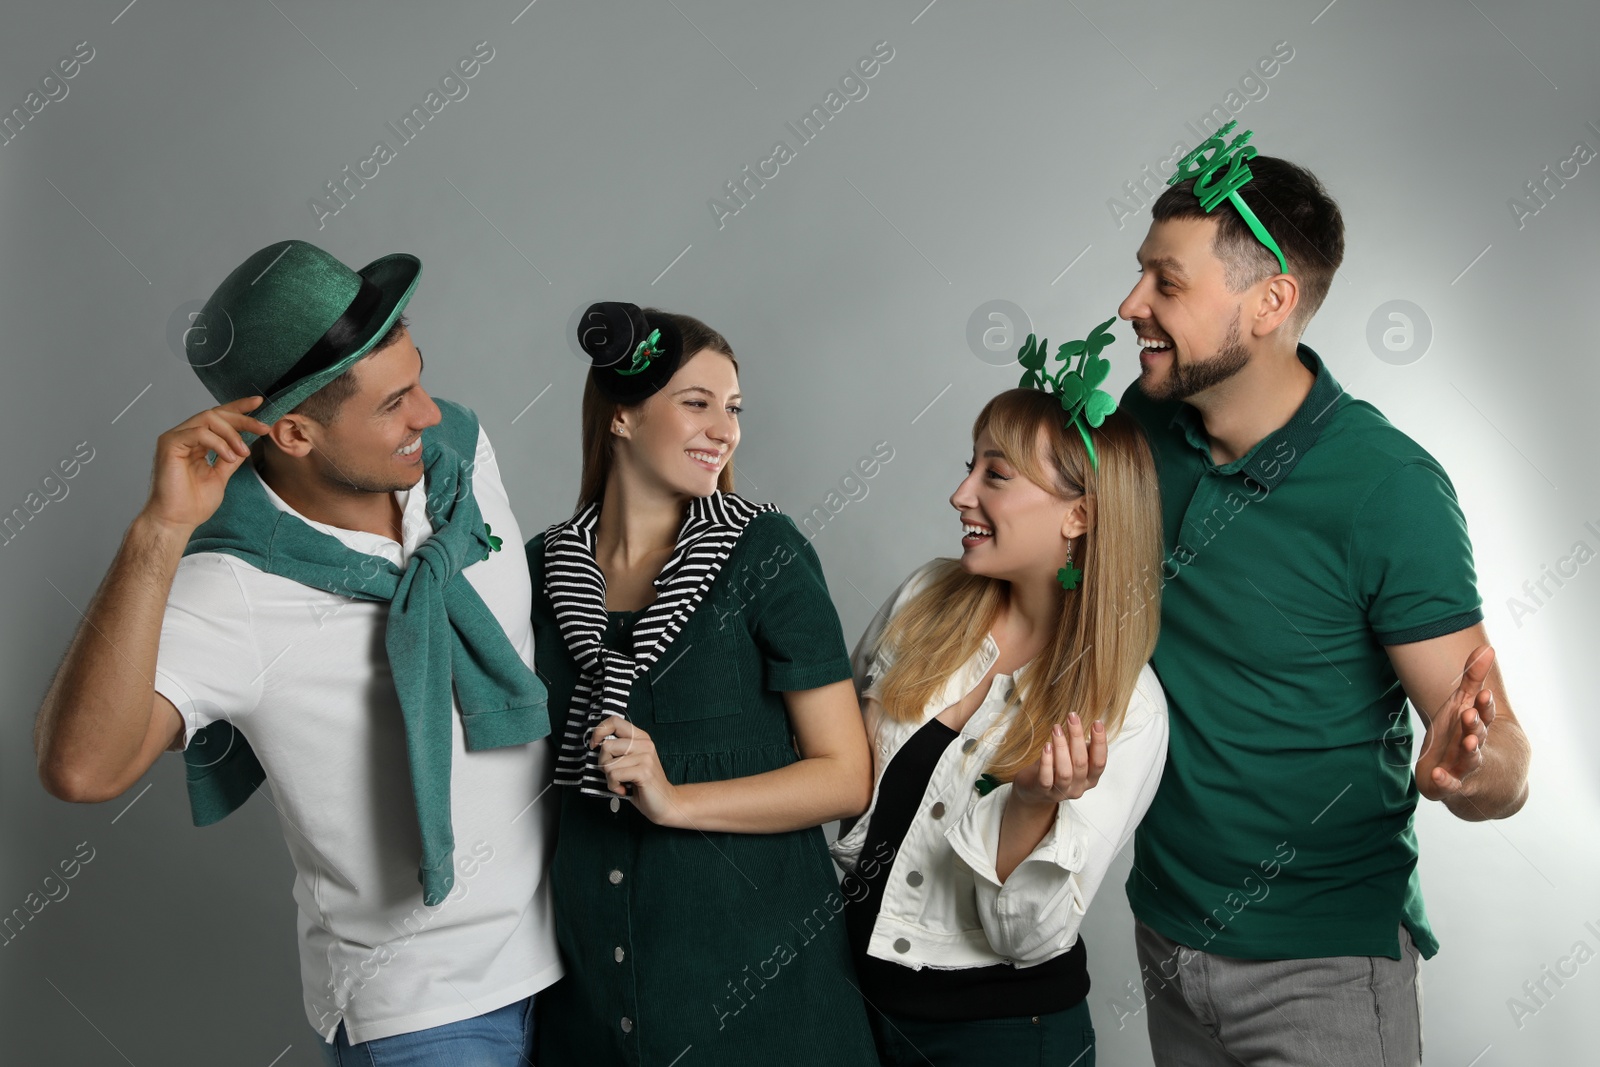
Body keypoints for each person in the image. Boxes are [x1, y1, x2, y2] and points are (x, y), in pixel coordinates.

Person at [33, 240, 563, 1063]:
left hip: (577, 956)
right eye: (393, 403)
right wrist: (160, 530)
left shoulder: (458, 453)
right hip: (425, 1012)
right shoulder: (230, 584)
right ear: (294, 432)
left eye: (419, 376)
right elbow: (81, 769)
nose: (426, 411)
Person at [1114, 128, 1533, 1065]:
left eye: (1166, 284)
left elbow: (1496, 745)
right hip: (1165, 935)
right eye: (1141, 273)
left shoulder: (1387, 488)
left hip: (1324, 967)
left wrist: (1471, 770)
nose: (1129, 304)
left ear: (1270, 302)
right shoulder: (1145, 420)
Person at [525, 301, 880, 1066]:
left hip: (758, 991)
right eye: (697, 403)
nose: (725, 429)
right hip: (591, 998)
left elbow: (846, 777)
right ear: (621, 416)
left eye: (734, 407)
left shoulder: (765, 553)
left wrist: (675, 800)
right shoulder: (540, 570)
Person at [836, 339, 1170, 1066]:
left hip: (999, 1039)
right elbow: (833, 766)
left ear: (1078, 516)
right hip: (846, 1005)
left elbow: (1027, 938)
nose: (962, 495)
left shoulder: (1124, 703)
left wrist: (1028, 806)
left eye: (996, 475)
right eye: (970, 468)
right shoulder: (923, 597)